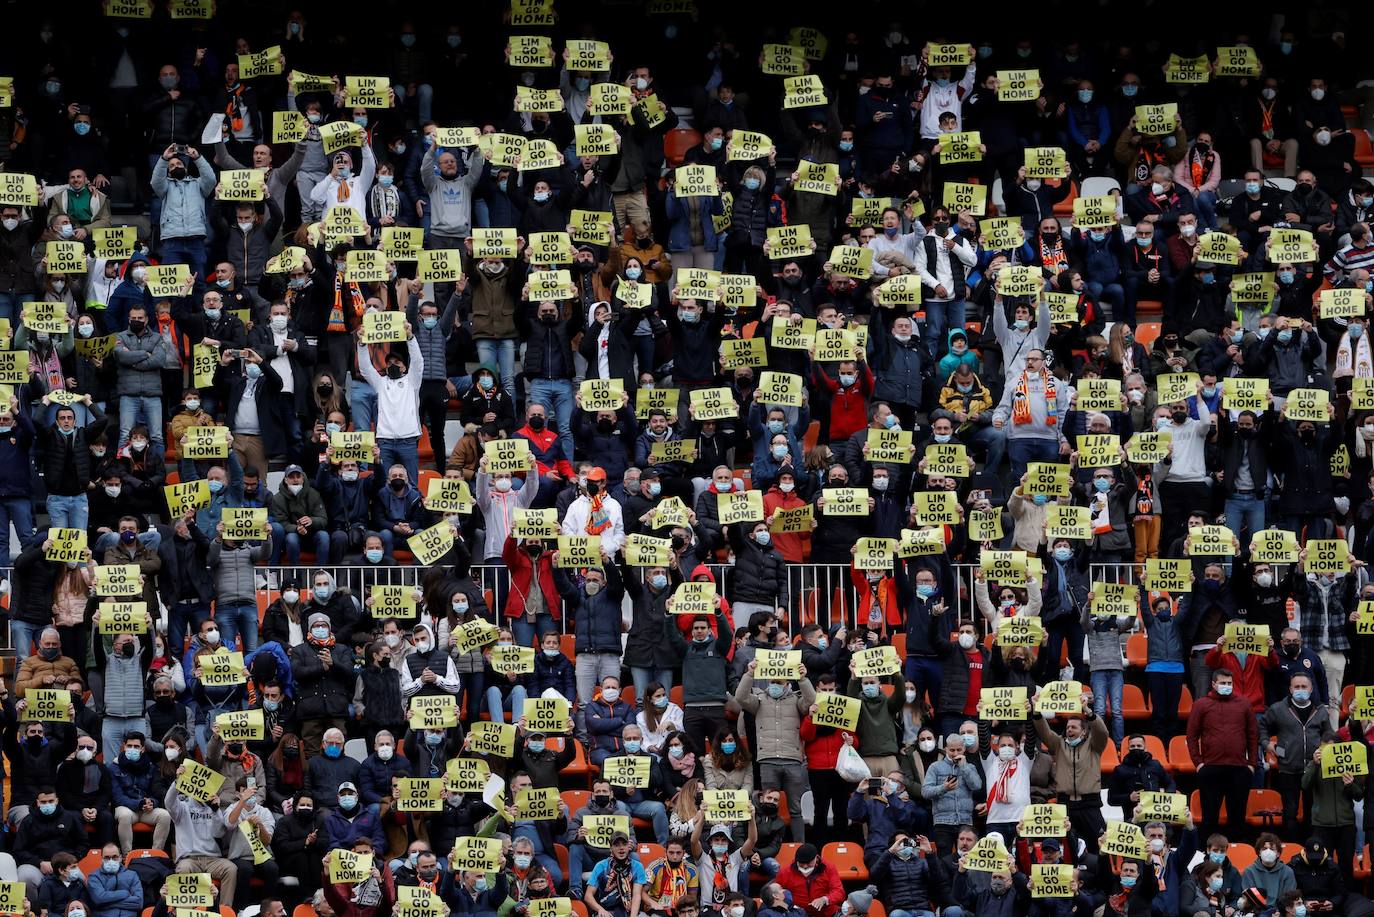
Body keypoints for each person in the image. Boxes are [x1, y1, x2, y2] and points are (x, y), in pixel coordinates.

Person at [1187, 668, 1258, 842]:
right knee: (1209, 818)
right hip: (1211, 768)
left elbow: (1253, 735)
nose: (1226, 686)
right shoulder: (1201, 704)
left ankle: (1238, 855)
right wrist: (1198, 763)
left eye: (1229, 683)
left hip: (1239, 769)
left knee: (1237, 818)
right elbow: (1191, 735)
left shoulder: (1244, 704)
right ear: (1213, 684)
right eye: (1223, 683)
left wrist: (1251, 764)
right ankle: (1206, 857)